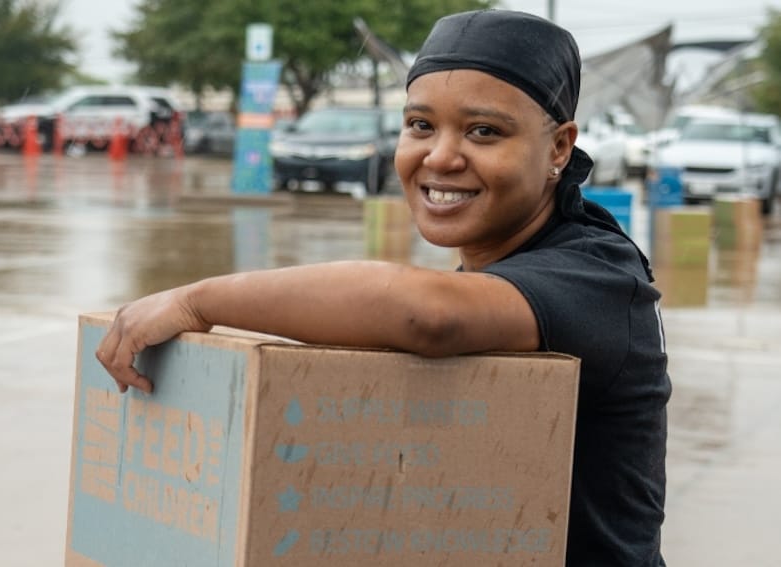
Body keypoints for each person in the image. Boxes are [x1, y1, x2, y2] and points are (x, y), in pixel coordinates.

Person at [97, 9, 670, 566]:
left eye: (484, 131)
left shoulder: (598, 274)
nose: (440, 156)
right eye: (421, 125)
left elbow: (425, 314)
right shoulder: (490, 279)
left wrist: (197, 302)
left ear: (559, 148)